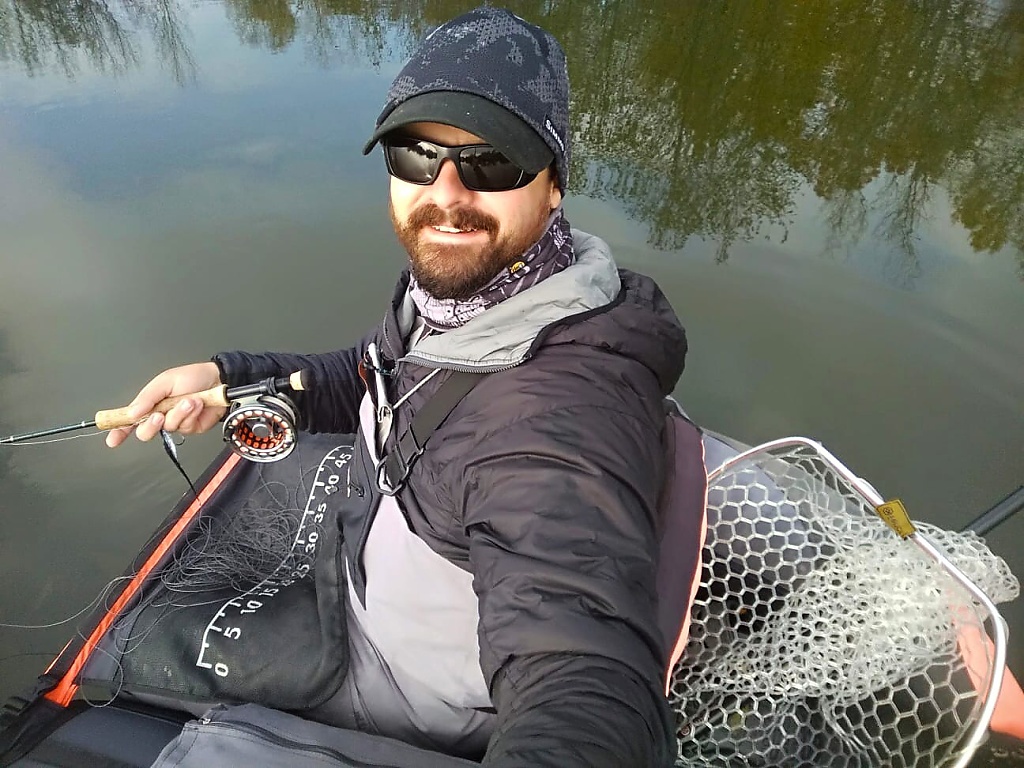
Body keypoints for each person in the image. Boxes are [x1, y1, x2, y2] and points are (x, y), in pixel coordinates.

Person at [108, 7, 690, 766]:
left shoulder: (550, 422)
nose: (445, 193)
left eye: (491, 162)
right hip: (367, 592)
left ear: (553, 185)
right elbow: (372, 374)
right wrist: (232, 378)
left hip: (406, 700)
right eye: (416, 157)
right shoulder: (468, 298)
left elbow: (582, 679)